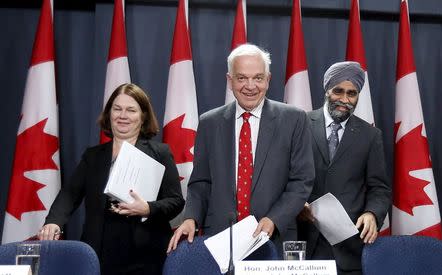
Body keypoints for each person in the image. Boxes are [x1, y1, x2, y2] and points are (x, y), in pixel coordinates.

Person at [167, 44, 315, 254]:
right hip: (220, 239)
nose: (250, 85)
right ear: (230, 80)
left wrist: (274, 218)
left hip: (274, 236)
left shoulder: (294, 119)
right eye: (242, 78)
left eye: (258, 78)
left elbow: (302, 181)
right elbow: (201, 182)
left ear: (268, 79)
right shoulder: (209, 122)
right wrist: (191, 217)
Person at [38, 83, 185, 275]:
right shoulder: (93, 156)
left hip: (145, 257)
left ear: (143, 116)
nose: (123, 115)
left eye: (131, 110)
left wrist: (148, 208)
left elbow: (176, 201)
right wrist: (54, 222)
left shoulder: (160, 153)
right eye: (117, 109)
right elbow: (69, 194)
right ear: (109, 114)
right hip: (97, 256)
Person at [297, 61, 391, 275]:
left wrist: (372, 213)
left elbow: (379, 188)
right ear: (327, 90)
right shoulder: (299, 123)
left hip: (349, 250)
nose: (344, 100)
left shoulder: (370, 135)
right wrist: (295, 204)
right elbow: (281, 176)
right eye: (338, 91)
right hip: (303, 242)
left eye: (352, 93)